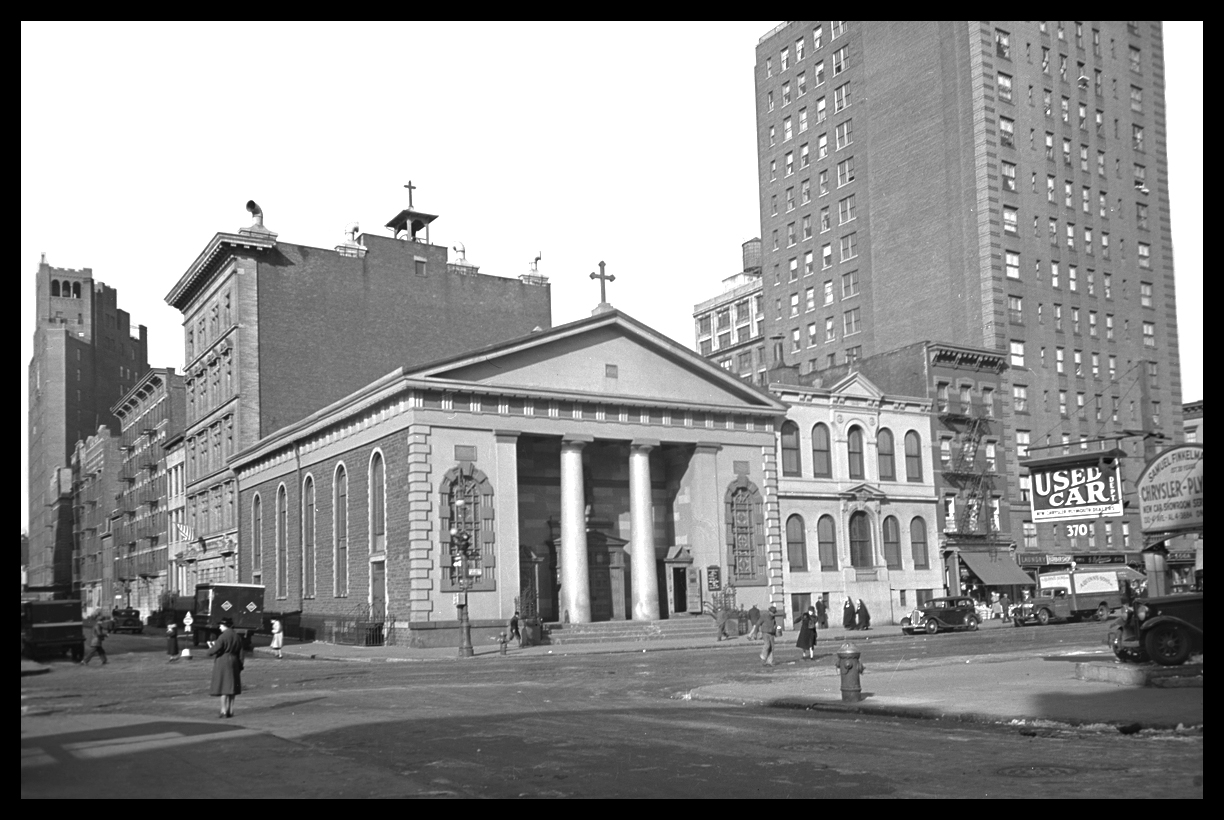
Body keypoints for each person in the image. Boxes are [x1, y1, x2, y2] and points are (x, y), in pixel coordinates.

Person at [208, 618, 243, 718]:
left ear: (225, 626)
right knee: (232, 688)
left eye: (221, 625)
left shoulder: (223, 636)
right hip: (234, 661)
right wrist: (240, 666)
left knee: (223, 688)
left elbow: (214, 650)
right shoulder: (237, 636)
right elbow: (241, 653)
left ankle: (223, 710)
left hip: (223, 661)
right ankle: (230, 710)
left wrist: (210, 648)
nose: (219, 627)